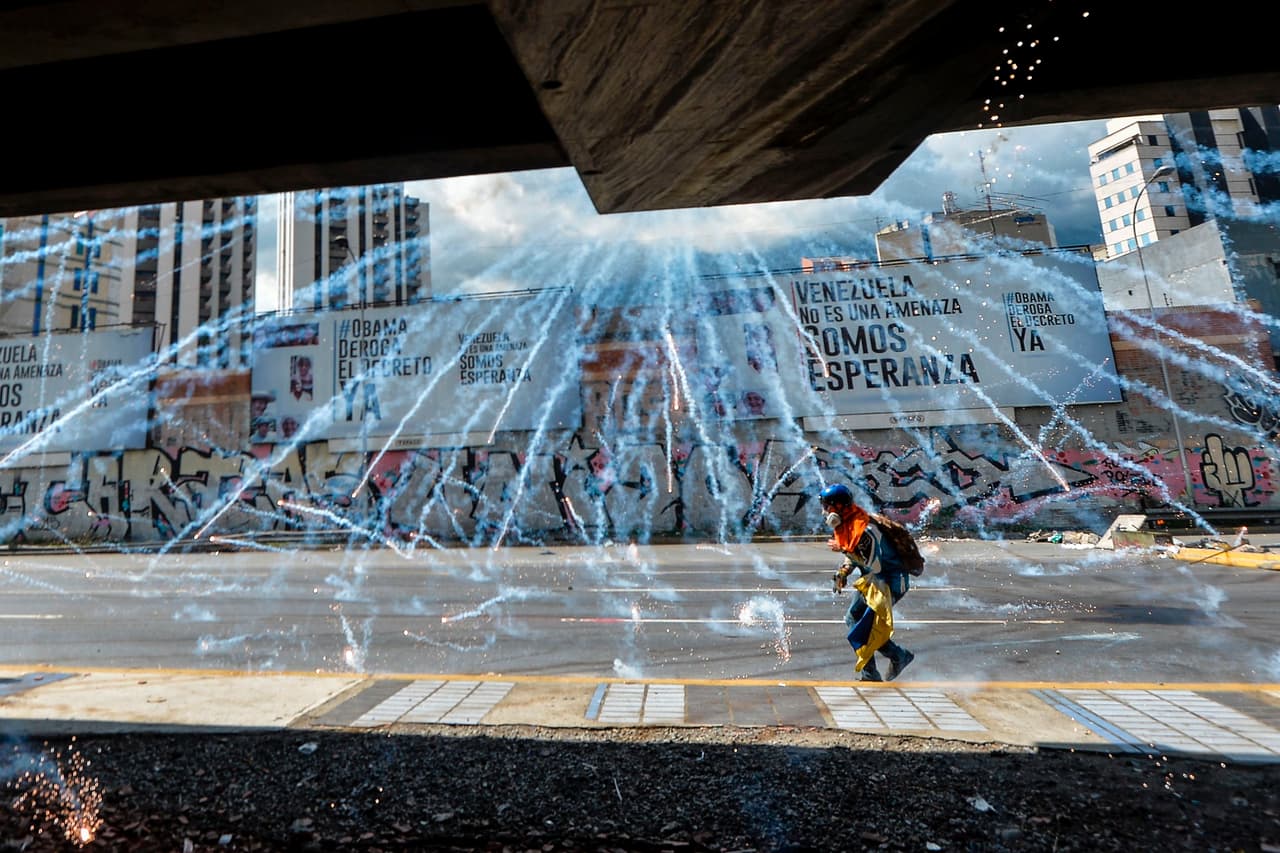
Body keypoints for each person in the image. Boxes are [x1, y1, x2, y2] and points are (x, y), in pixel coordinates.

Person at [820, 482, 915, 682]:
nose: (825, 511)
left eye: (828, 506)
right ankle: (888, 661)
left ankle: (890, 661)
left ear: (839, 507)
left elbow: (874, 564)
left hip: (889, 581)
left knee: (859, 622)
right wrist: (843, 572)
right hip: (875, 581)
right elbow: (852, 553)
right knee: (857, 621)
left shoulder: (864, 529)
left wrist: (844, 549)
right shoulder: (849, 524)